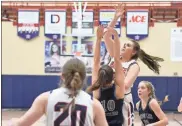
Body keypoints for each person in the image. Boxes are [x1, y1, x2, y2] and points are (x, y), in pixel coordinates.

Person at [102, 4, 164, 126]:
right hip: (107, 98)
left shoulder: (133, 65)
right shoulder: (114, 56)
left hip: (122, 101)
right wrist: (115, 18)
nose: (124, 46)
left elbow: (125, 85)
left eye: (128, 45)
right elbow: (106, 35)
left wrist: (108, 79)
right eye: (124, 44)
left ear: (134, 52)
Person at [9, 58, 109, 126]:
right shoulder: (94, 104)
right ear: (83, 78)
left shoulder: (45, 98)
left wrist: (13, 122)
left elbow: (21, 124)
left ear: (62, 76)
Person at [87, 25, 125, 126]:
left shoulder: (97, 91)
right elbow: (117, 59)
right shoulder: (118, 90)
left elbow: (96, 62)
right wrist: (116, 37)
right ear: (113, 76)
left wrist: (98, 39)